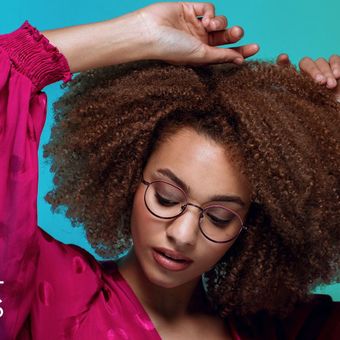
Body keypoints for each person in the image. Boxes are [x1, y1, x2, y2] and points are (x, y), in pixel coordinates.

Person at [0, 2, 339, 339]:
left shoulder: (283, 329)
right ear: (129, 176)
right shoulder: (52, 295)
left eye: (220, 217)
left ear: (253, 225)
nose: (183, 234)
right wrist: (137, 35)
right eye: (165, 198)